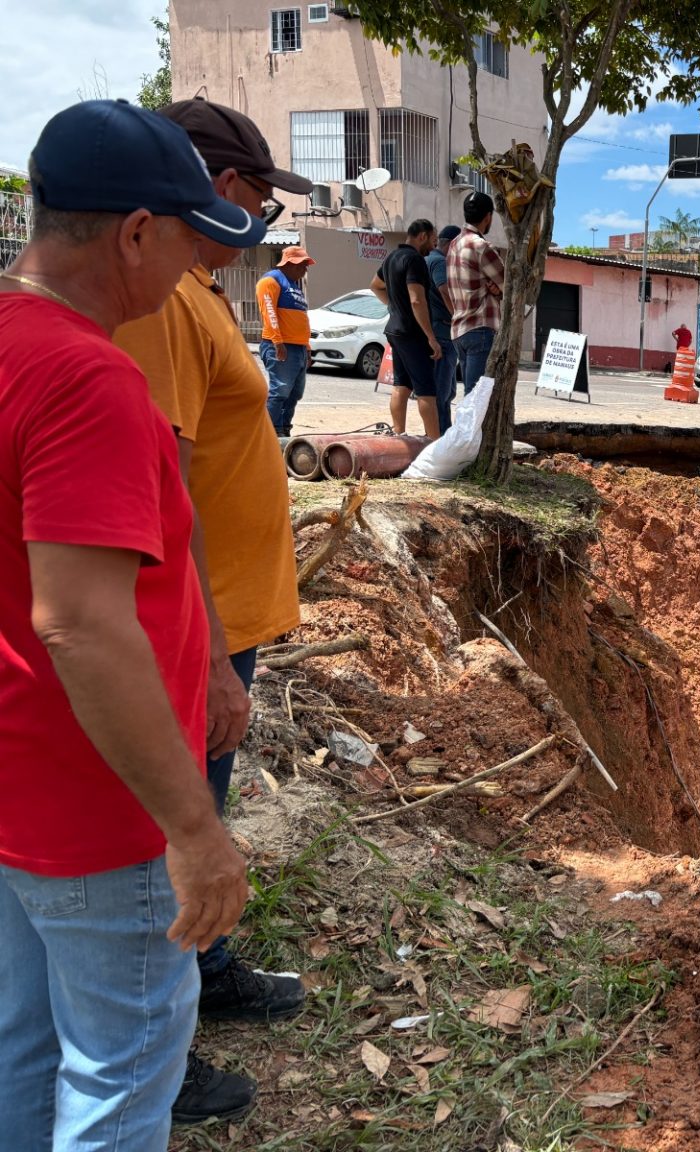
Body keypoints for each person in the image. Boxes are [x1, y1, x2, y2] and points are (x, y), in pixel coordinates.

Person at [0, 99, 255, 1151]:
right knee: (120, 1071)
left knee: (26, 1046)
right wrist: (193, 831)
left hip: (20, 789)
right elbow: (83, 626)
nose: (198, 265)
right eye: (192, 240)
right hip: (100, 811)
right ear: (135, 232)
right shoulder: (88, 378)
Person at [113, 97, 309, 1126]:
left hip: (226, 617)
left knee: (208, 812)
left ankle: (209, 970)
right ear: (216, 186)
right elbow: (164, 491)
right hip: (200, 629)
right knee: (175, 832)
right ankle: (159, 1040)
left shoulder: (195, 292)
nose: (265, 221)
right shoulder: (164, 307)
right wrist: (215, 657)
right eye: (259, 195)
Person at [372, 219, 443, 440]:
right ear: (422, 236)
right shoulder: (415, 260)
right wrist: (431, 337)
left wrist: (393, 306)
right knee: (426, 391)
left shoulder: (392, 257)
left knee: (401, 386)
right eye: (433, 240)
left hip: (395, 331)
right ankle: (434, 444)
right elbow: (417, 300)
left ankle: (398, 435)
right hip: (413, 334)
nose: (434, 246)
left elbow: (375, 285)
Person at [445, 191, 504, 393]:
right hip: (480, 327)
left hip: (459, 329)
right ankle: (470, 427)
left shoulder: (453, 244)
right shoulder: (481, 246)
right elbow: (509, 286)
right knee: (477, 397)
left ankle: (466, 426)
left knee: (470, 394)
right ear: (488, 216)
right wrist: (497, 293)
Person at [257, 245, 314, 435]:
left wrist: (306, 346)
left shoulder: (294, 285)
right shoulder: (271, 281)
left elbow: (300, 318)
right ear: (290, 263)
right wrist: (277, 341)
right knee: (280, 391)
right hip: (281, 346)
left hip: (297, 348)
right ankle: (268, 432)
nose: (305, 269)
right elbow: (269, 312)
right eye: (302, 265)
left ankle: (283, 430)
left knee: (294, 394)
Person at [426, 223, 460, 432]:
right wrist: (458, 316)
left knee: (444, 391)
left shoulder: (427, 259)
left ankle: (438, 433)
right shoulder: (439, 262)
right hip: (443, 333)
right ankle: (442, 436)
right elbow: (444, 291)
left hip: (436, 331)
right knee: (443, 392)